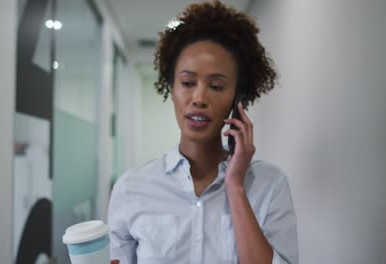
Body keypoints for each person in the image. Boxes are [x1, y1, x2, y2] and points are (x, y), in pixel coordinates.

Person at [108, 1, 298, 263]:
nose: (198, 98)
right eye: (187, 83)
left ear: (237, 98)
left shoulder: (270, 186)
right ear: (171, 88)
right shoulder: (130, 188)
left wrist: (235, 187)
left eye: (217, 86)